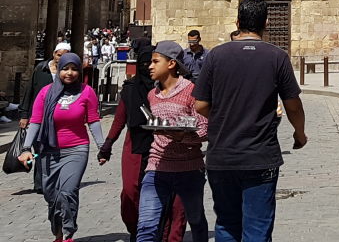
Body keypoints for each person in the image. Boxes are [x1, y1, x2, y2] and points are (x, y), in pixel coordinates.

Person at [194, 0, 307, 242]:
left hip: (221, 156)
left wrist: (225, 118)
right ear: (266, 23)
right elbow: (293, 106)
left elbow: (200, 104)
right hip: (260, 156)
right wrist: (300, 133)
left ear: (237, 22)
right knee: (257, 229)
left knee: (226, 225)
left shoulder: (215, 56)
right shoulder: (277, 56)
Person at [98, 44, 187, 242]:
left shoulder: (173, 89)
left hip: (167, 147)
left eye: (153, 62)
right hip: (136, 146)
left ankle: (165, 235)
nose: (148, 67)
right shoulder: (130, 90)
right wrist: (107, 145)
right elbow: (119, 119)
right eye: (145, 63)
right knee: (131, 193)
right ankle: (138, 229)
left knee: (171, 198)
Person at [19, 53, 106, 242]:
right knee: (51, 196)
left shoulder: (87, 92)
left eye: (74, 69)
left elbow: (93, 120)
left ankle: (68, 232)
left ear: (80, 71)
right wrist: (26, 148)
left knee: (67, 192)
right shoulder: (46, 93)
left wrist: (102, 147)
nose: (70, 73)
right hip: (48, 151)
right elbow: (36, 121)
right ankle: (58, 233)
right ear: (58, 70)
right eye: (65, 68)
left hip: (76, 149)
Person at [133, 41, 209, 242]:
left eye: (155, 61)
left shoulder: (192, 91)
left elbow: (205, 129)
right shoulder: (152, 95)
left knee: (196, 220)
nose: (150, 66)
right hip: (157, 167)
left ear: (171, 63)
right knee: (146, 226)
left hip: (189, 169)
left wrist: (183, 136)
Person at [19, 41, 72, 194]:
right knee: (39, 149)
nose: (60, 58)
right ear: (54, 54)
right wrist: (24, 114)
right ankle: (40, 183)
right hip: (38, 117)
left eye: (64, 56)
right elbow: (29, 92)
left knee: (51, 150)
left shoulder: (68, 73)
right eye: (58, 55)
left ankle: (51, 179)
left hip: (57, 117)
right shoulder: (40, 69)